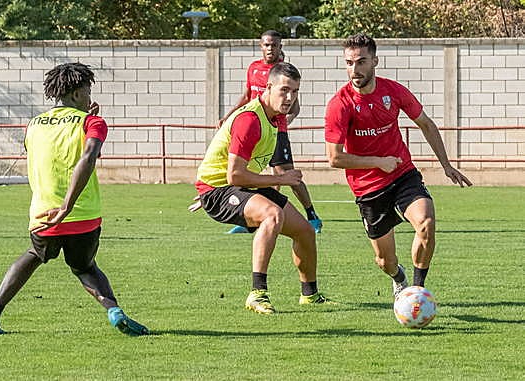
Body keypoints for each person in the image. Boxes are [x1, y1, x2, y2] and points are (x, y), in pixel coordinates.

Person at [0, 63, 149, 336]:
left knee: (33, 256)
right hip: (82, 214)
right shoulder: (92, 122)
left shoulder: (33, 125)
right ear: (77, 94)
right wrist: (67, 205)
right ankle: (114, 311)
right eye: (87, 92)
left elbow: (52, 154)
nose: (90, 98)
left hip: (44, 213)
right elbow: (88, 157)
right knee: (84, 266)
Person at [324, 33, 472, 299]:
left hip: (403, 175)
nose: (354, 70)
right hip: (368, 188)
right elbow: (335, 158)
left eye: (361, 62)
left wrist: (446, 165)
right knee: (385, 261)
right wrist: (378, 163)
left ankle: (416, 291)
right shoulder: (340, 104)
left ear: (375, 61)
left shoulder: (393, 91)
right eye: (349, 63)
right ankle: (399, 276)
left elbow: (426, 123)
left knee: (426, 222)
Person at [196, 62, 334, 314]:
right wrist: (281, 180)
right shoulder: (249, 119)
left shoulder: (276, 118)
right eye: (284, 90)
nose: (290, 97)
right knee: (272, 215)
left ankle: (310, 295)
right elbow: (235, 174)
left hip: (237, 187)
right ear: (268, 87)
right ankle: (257, 293)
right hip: (219, 190)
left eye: (295, 91)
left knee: (304, 231)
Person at [219, 30, 322, 234]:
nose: (270, 48)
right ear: (260, 46)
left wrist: (281, 124)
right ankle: (248, 219)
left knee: (285, 174)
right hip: (254, 129)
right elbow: (248, 97)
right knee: (248, 172)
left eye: (274, 45)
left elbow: (294, 107)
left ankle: (312, 216)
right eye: (267, 45)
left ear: (280, 46)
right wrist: (230, 115)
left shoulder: (283, 72)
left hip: (275, 131)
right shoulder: (254, 69)